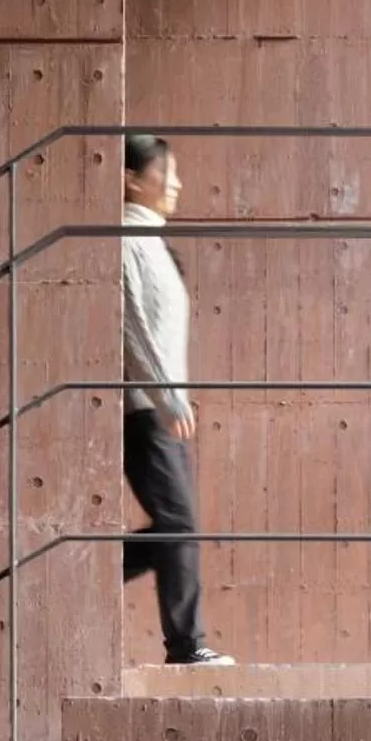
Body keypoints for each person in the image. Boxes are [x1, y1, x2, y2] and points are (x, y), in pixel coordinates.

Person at [120, 133, 233, 667]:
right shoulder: (126, 241)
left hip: (162, 412)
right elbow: (131, 327)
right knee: (179, 526)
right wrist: (166, 396)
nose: (177, 184)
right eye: (166, 173)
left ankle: (184, 644)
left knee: (179, 526)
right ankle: (186, 647)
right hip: (144, 411)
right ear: (131, 179)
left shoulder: (153, 243)